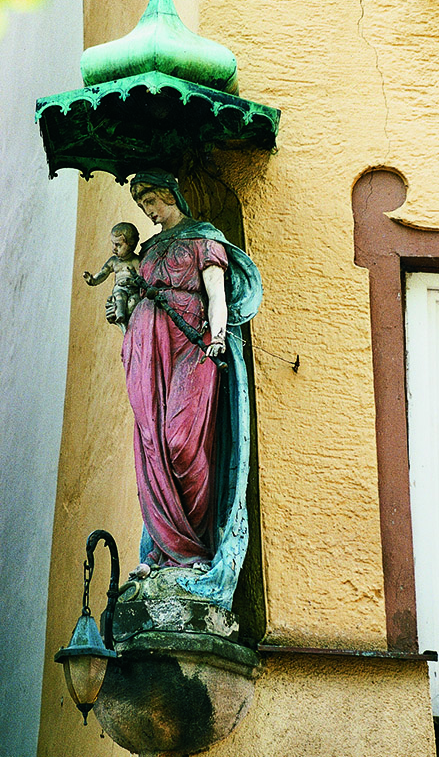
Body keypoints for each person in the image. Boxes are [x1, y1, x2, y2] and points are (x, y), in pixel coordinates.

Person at [121, 169, 262, 609]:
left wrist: (218, 337)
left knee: (182, 441)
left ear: (170, 194)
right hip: (146, 345)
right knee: (152, 442)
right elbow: (132, 301)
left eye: (151, 200)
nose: (147, 210)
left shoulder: (205, 239)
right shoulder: (147, 251)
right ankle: (164, 553)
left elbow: (216, 295)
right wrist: (122, 313)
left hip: (192, 340)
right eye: (141, 203)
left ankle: (194, 549)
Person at [83, 223, 140, 326]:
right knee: (119, 297)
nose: (114, 248)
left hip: (133, 290)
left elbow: (142, 280)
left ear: (131, 244)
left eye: (118, 245)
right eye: (113, 244)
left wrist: (131, 282)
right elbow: (103, 273)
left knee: (133, 302)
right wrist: (93, 280)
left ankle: (126, 320)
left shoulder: (136, 261)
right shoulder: (114, 261)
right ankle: (120, 315)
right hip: (120, 288)